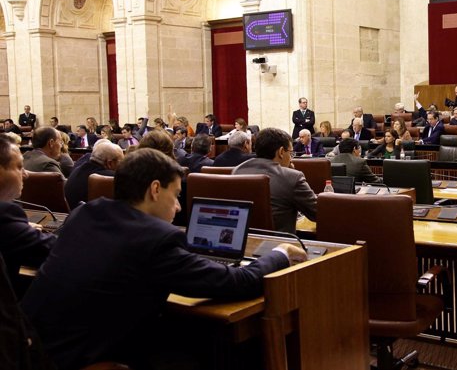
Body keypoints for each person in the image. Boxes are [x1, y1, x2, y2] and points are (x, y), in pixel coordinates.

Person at [22, 148, 306, 370]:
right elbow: (235, 282)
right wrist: (279, 253)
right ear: (155, 189)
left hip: (28, 349)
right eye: (176, 195)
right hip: (77, 359)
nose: (179, 206)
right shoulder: (154, 239)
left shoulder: (85, 214)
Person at [0, 135, 56, 293]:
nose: (26, 174)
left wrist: (16, 228)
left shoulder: (7, 223)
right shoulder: (5, 215)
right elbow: (55, 251)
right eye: (19, 167)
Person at [233, 128, 317, 233]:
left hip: (245, 244)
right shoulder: (292, 177)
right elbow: (318, 213)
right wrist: (290, 173)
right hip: (280, 245)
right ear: (281, 152)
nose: (291, 159)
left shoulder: (237, 171)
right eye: (290, 153)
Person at [64, 140, 124, 209]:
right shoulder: (110, 179)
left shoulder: (77, 170)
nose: (123, 165)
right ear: (110, 163)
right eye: (122, 161)